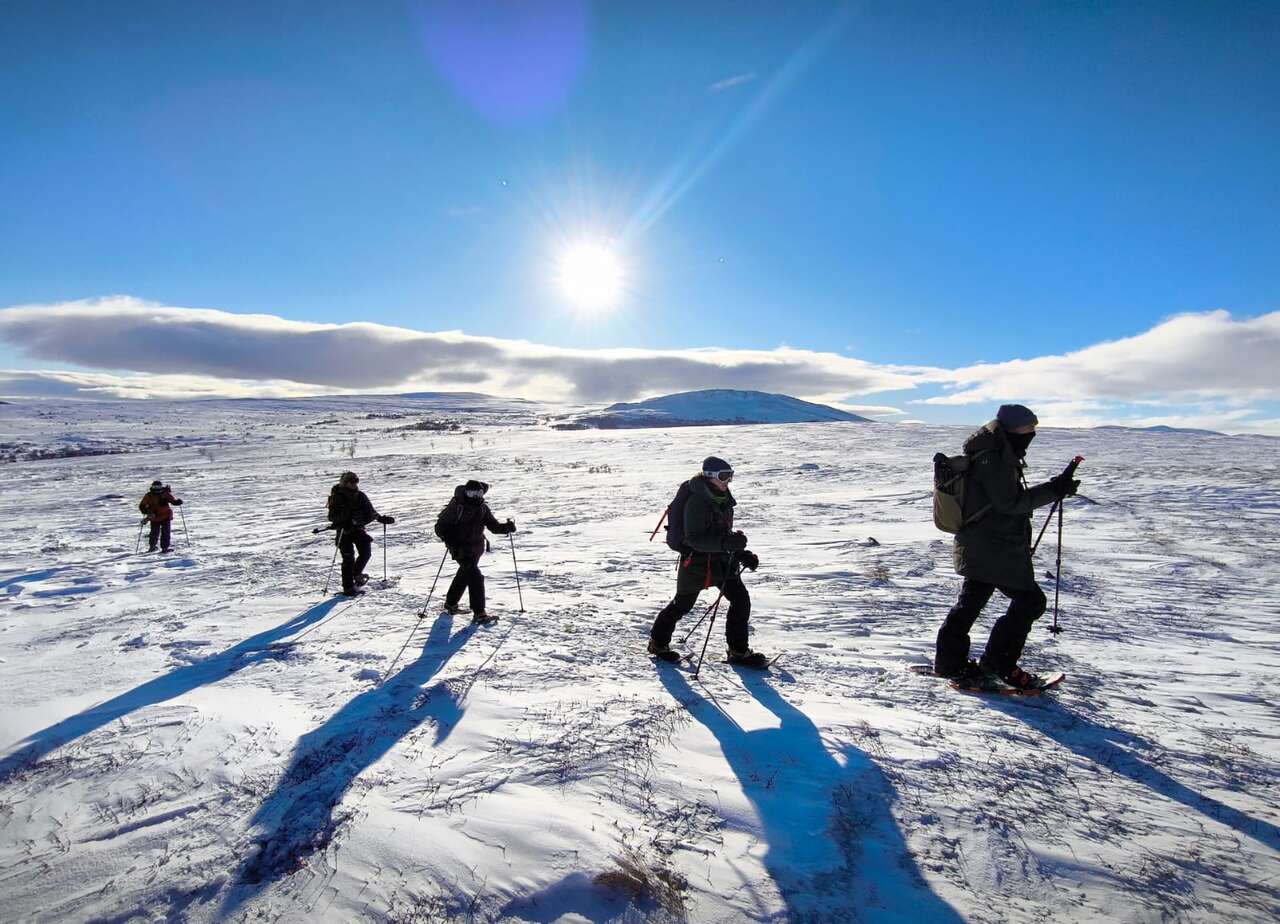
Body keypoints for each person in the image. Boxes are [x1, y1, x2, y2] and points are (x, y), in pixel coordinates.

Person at [933, 404, 1080, 690]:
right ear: (1011, 429)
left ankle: (951, 663)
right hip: (992, 546)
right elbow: (1008, 503)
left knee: (971, 602)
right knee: (1030, 601)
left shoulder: (993, 452)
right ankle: (998, 663)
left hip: (982, 543)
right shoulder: (993, 458)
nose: (1031, 435)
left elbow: (1003, 498)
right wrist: (1053, 490)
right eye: (1028, 430)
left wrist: (1053, 487)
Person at [647, 456, 767, 667]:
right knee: (682, 605)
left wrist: (741, 553)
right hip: (696, 564)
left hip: (722, 562)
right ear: (709, 476)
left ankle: (738, 652)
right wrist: (727, 544)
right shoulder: (697, 501)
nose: (727, 481)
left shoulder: (722, 498)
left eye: (730, 475)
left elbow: (723, 533)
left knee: (740, 600)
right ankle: (658, 643)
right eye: (723, 476)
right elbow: (693, 540)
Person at [433, 479, 515, 624]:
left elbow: (493, 526)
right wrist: (451, 539)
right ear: (466, 492)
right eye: (472, 493)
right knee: (476, 577)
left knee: (464, 575)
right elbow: (439, 527)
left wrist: (506, 528)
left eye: (478, 493)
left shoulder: (483, 508)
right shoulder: (456, 507)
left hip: (476, 548)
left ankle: (451, 604)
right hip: (460, 549)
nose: (475, 496)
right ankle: (479, 613)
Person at [326, 471, 395, 596]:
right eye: (351, 481)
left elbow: (370, 511)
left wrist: (381, 519)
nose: (354, 484)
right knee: (348, 559)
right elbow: (331, 517)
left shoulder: (360, 495)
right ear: (344, 483)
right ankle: (348, 587)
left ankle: (356, 574)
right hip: (344, 531)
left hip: (358, 529)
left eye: (356, 481)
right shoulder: (337, 497)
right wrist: (345, 519)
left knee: (366, 553)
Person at [139, 480, 183, 553]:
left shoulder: (165, 494)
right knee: (154, 532)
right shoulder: (149, 495)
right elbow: (142, 505)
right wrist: (145, 511)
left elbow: (173, 501)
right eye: (155, 486)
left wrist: (177, 502)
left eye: (158, 486)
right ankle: (152, 547)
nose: (156, 488)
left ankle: (165, 548)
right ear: (152, 487)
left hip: (166, 516)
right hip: (154, 517)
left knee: (166, 533)